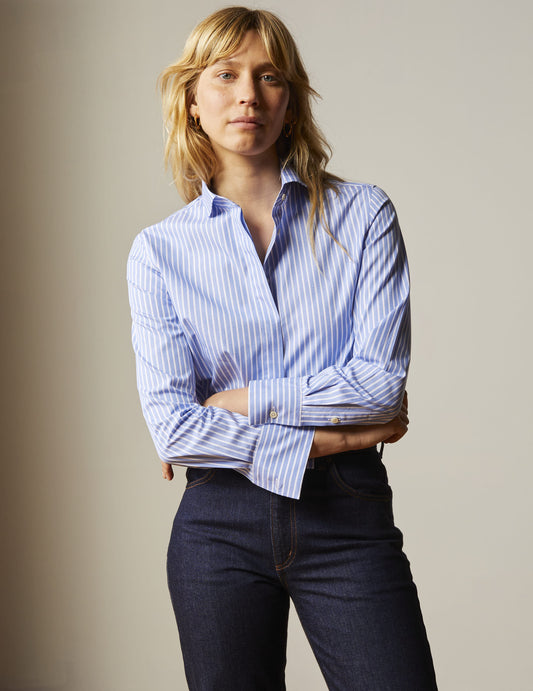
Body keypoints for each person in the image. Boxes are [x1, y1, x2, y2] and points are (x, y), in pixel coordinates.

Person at [127, 6, 437, 690]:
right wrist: (332, 439)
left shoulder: (362, 216)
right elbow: (174, 428)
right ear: (192, 98)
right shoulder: (159, 252)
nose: (248, 94)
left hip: (346, 515)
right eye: (226, 74)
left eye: (269, 77)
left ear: (290, 100)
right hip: (218, 523)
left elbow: (379, 387)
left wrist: (237, 401)